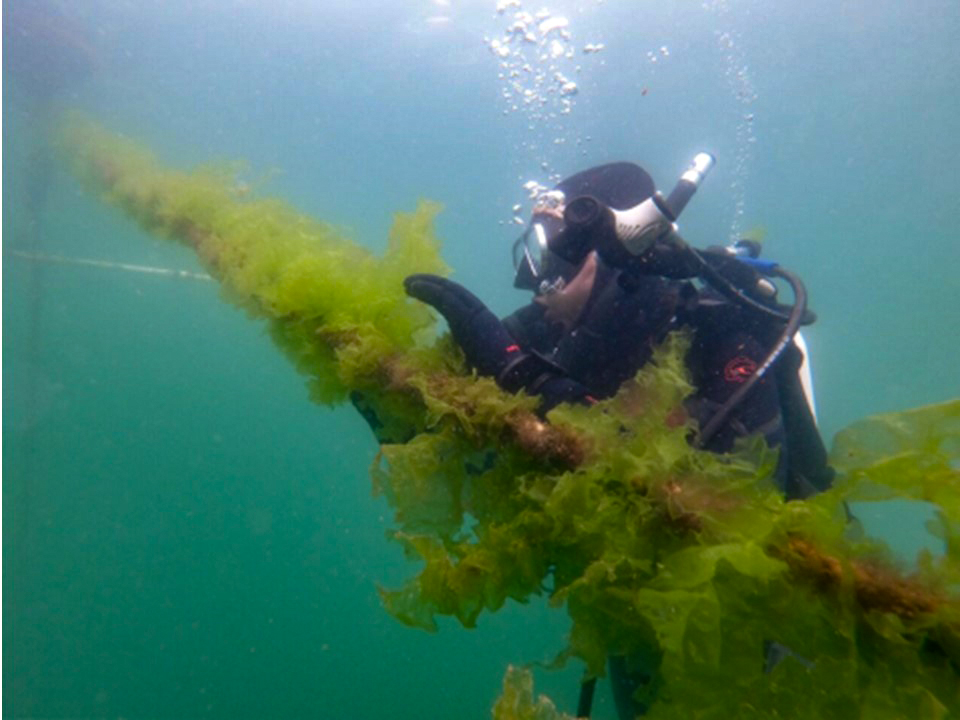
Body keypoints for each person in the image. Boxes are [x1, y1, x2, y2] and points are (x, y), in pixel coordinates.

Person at [402, 159, 834, 718]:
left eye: (551, 254)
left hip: (775, 636)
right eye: (530, 256)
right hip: (641, 645)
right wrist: (402, 413)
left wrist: (527, 379)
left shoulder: (724, 334)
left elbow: (735, 498)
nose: (534, 282)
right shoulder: (552, 329)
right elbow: (455, 433)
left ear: (617, 251)